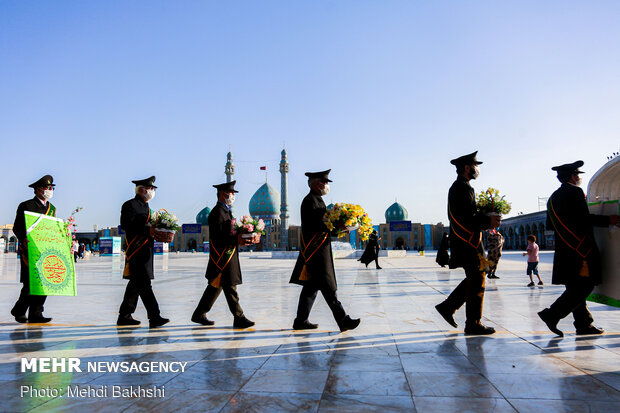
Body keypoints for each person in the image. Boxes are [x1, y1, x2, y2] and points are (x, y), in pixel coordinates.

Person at [538, 161, 620, 336]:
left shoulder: (553, 198)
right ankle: (552, 314)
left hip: (564, 251)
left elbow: (550, 225)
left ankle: (583, 324)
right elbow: (583, 218)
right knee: (584, 286)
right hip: (580, 250)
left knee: (575, 287)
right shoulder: (575, 192)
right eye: (578, 175)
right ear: (573, 176)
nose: (579, 178)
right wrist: (608, 220)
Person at [435, 151, 501, 335]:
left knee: (475, 278)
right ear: (466, 168)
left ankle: (448, 307)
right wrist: (489, 222)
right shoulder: (463, 188)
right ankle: (473, 323)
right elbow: (467, 218)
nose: (476, 169)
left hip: (464, 241)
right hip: (468, 242)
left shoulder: (459, 187)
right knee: (478, 279)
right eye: (474, 166)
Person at [290, 170, 361, 332]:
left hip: (319, 250)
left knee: (311, 288)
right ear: (316, 183)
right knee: (329, 288)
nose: (327, 186)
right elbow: (320, 226)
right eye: (325, 182)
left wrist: (341, 229)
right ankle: (343, 320)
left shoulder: (317, 200)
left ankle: (301, 320)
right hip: (316, 253)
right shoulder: (310, 201)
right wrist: (339, 228)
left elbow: (325, 227)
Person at [191, 181, 256, 328]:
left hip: (227, 256)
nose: (233, 196)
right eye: (231, 193)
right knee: (230, 287)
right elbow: (220, 236)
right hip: (222, 258)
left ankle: (199, 314)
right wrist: (238, 238)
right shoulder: (218, 212)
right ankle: (239, 318)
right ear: (223, 194)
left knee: (216, 287)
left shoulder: (225, 211)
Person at [117, 176, 170, 328]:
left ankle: (125, 315)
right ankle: (155, 316)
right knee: (144, 284)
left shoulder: (148, 208)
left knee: (135, 284)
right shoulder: (130, 205)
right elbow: (126, 224)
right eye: (150, 189)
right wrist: (148, 228)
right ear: (141, 189)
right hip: (136, 250)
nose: (152, 191)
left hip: (146, 250)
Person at [10, 175, 57, 323]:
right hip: (30, 250)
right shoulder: (26, 205)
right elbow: (17, 227)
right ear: (37, 189)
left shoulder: (52, 209)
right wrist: (24, 239)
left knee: (45, 282)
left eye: (51, 188)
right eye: (47, 188)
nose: (49, 190)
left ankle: (36, 313)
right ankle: (19, 310)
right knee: (31, 283)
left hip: (46, 251)